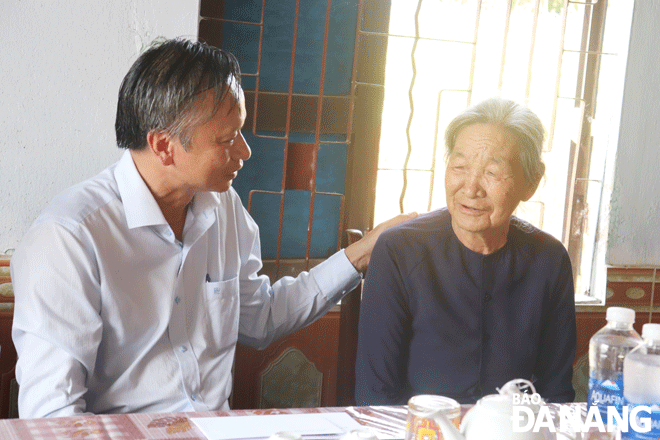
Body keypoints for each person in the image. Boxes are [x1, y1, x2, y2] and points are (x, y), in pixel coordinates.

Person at [10, 38, 415, 418]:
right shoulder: (69, 239)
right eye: (227, 138)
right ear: (164, 145)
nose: (246, 151)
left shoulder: (224, 208)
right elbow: (51, 416)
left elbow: (261, 319)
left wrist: (363, 253)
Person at [354, 97, 576, 405]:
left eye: (491, 173)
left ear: (532, 182)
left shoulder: (549, 260)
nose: (470, 188)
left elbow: (557, 392)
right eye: (460, 167)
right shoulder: (399, 252)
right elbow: (375, 396)